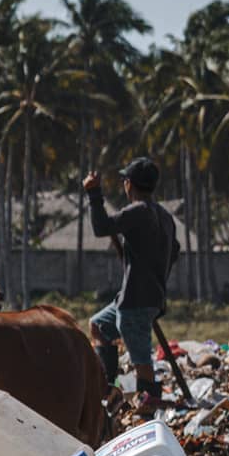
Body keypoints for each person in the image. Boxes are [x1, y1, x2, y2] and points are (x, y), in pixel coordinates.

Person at [83, 157, 180, 404]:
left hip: (136, 301)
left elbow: (101, 226)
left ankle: (149, 408)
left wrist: (94, 194)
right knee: (99, 326)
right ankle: (109, 388)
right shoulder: (165, 217)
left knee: (141, 360)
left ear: (129, 184)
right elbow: (175, 251)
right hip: (144, 298)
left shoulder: (137, 212)